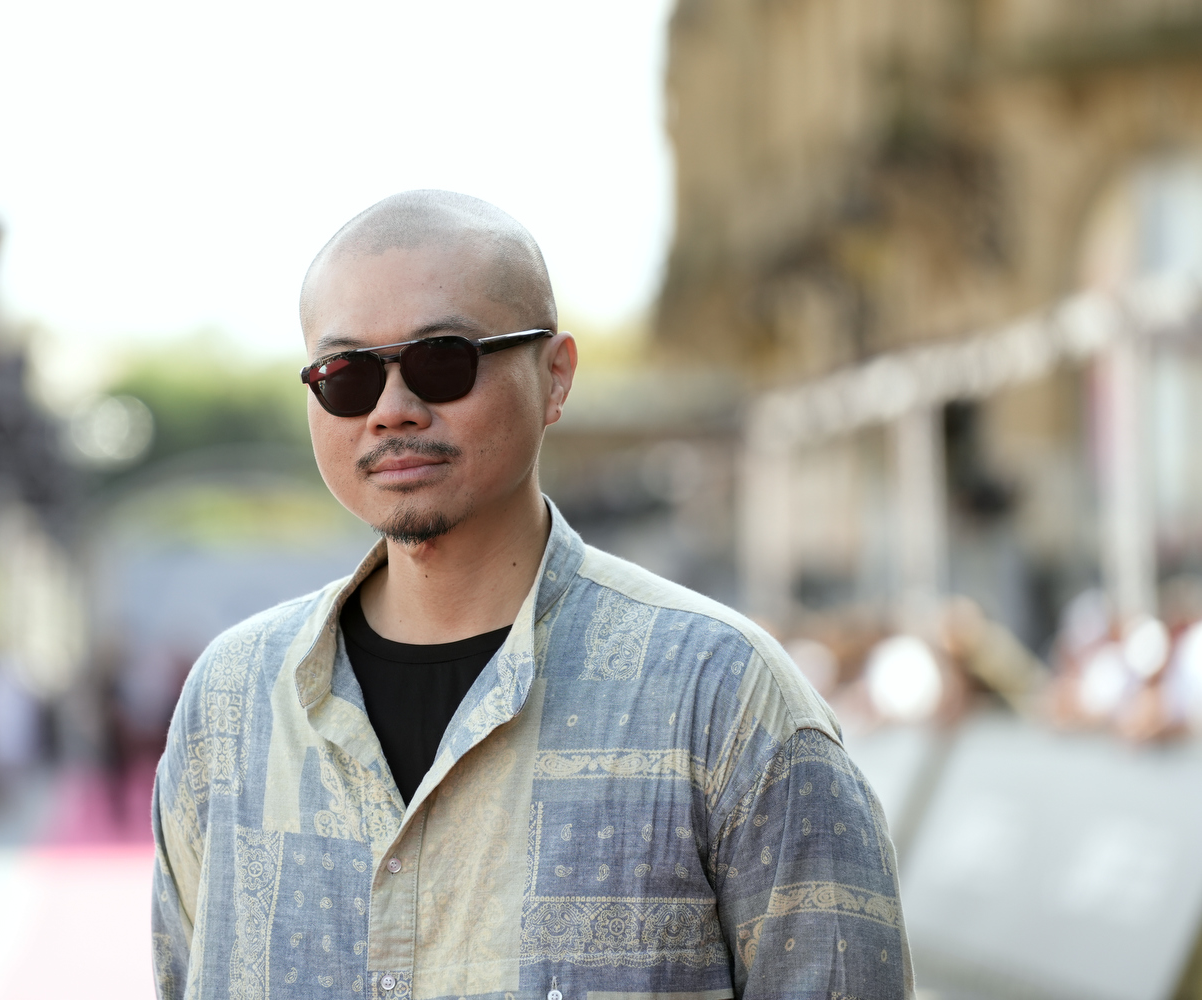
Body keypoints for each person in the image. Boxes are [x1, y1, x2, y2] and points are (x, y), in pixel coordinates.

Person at [151, 191, 912, 999]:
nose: (392, 411)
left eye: (442, 360)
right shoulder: (230, 701)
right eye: (347, 376)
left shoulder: (722, 696)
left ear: (556, 376)